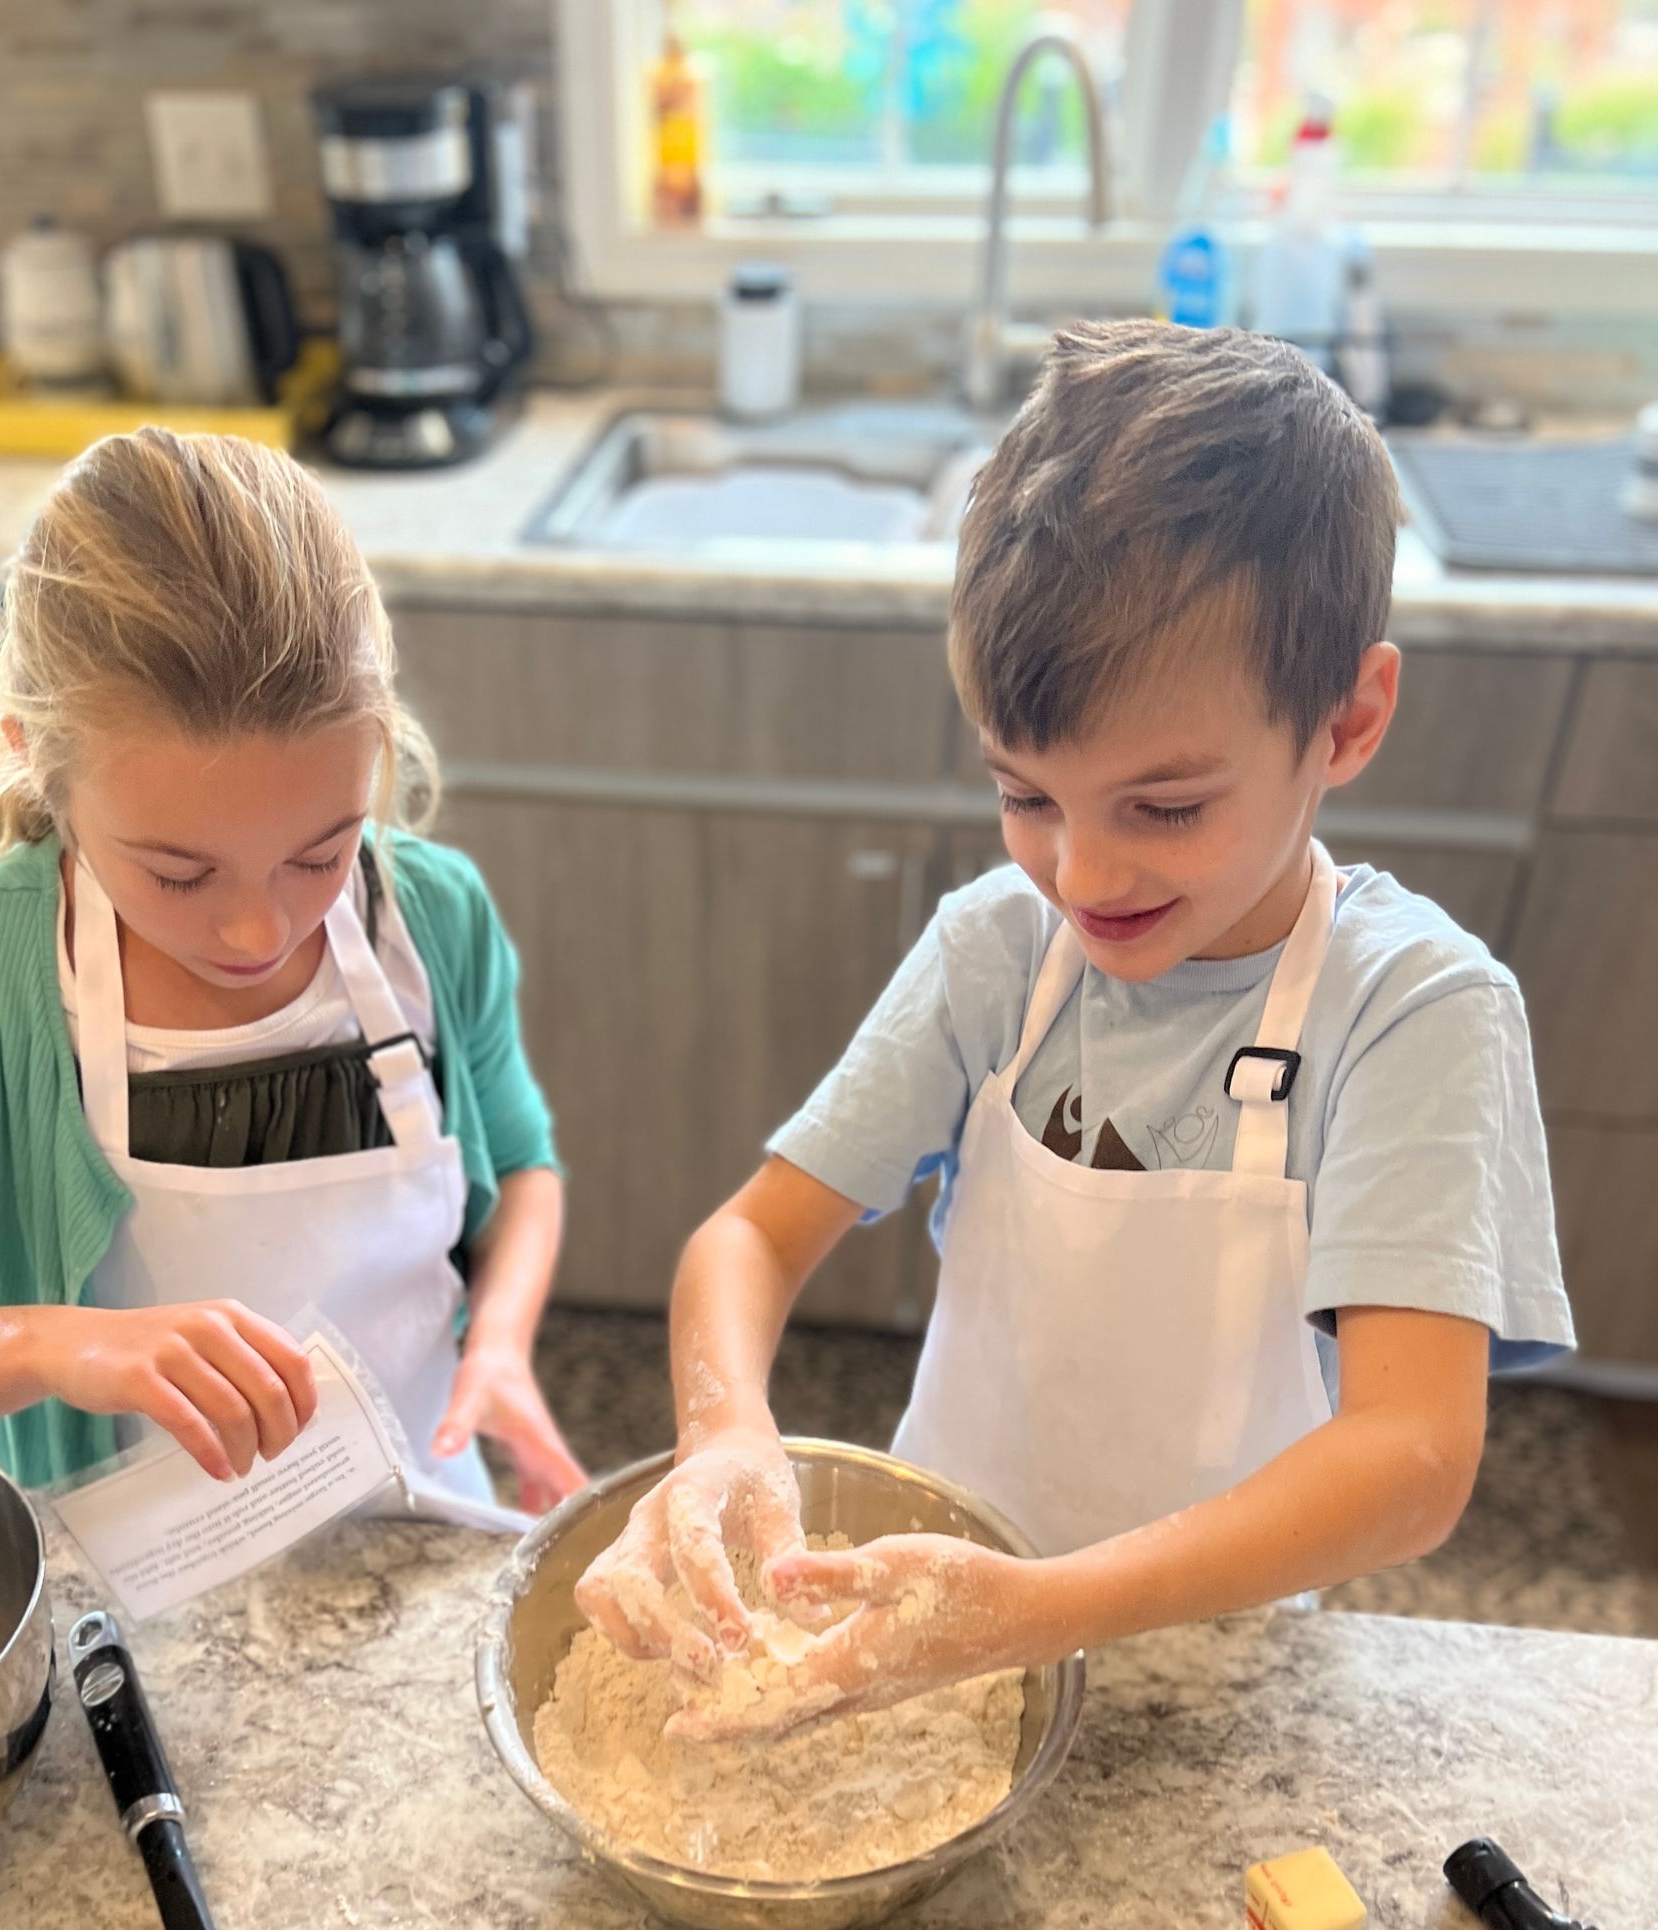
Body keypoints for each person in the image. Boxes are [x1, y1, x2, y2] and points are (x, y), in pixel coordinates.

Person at [578, 320, 1572, 1735]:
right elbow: (748, 1237)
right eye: (1026, 796)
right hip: (932, 1613)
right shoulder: (999, 951)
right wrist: (726, 1428)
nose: (1084, 875)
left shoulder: (1415, 1015)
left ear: (1347, 725)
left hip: (1211, 1668)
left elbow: (1413, 1455)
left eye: (1165, 808)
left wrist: (1042, 1610)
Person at [0, 427, 585, 1514]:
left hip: (420, 1508)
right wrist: (62, 1346)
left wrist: (504, 1349)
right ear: (37, 760)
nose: (259, 932)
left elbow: (522, 1168)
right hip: (139, 1575)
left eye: (319, 853)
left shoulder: (431, 914)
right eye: (179, 873)